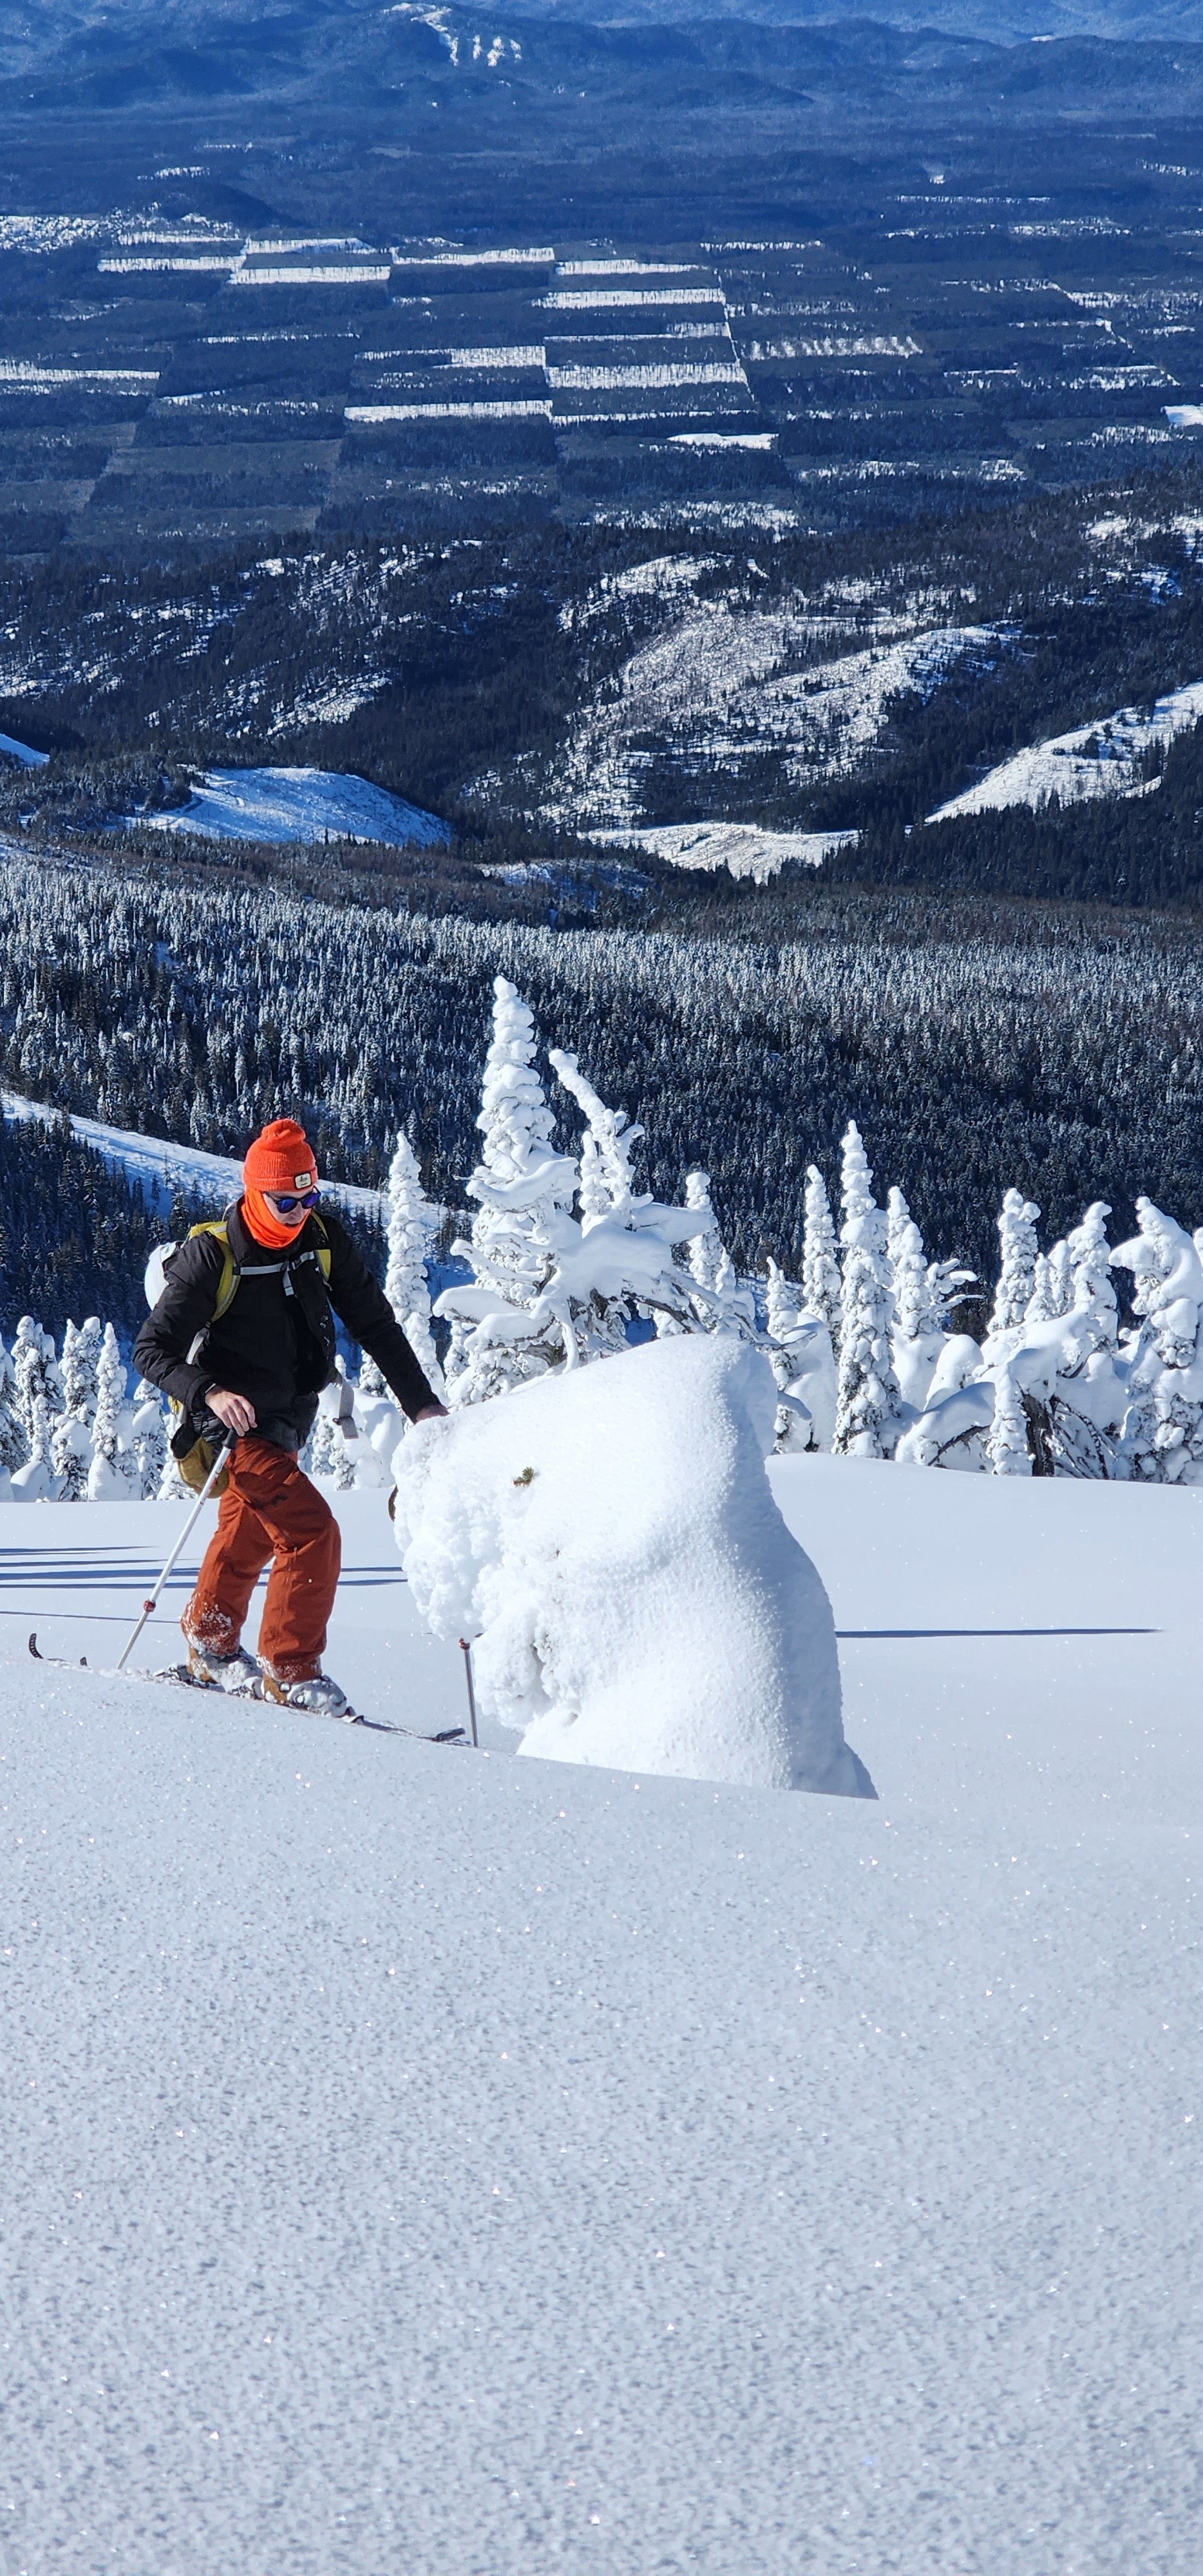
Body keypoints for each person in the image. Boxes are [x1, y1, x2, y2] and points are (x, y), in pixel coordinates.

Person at [134, 1117, 446, 1718]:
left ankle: (210, 1642)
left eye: (311, 1197)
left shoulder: (322, 1240)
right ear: (256, 1192)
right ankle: (291, 1670)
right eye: (285, 1201)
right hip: (230, 1427)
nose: (299, 1211)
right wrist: (209, 1392)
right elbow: (151, 1351)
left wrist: (421, 1405)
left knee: (247, 1533)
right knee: (311, 1533)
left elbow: (376, 1324)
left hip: (287, 1419)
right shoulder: (212, 1255)